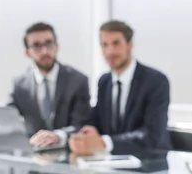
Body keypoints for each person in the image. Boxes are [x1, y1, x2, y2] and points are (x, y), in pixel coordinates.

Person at [69, 20, 171, 155]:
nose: (110, 51)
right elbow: (96, 121)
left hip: (151, 162)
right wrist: (85, 134)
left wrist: (104, 142)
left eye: (116, 43)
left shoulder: (156, 81)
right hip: (113, 162)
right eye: (104, 45)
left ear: (130, 45)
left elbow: (151, 135)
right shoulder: (104, 81)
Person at [7, 22, 92, 148]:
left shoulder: (78, 80)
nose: (45, 51)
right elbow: (8, 118)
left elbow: (82, 125)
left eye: (49, 44)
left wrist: (58, 136)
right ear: (27, 52)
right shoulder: (20, 84)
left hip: (69, 155)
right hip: (33, 155)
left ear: (57, 46)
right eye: (37, 46)